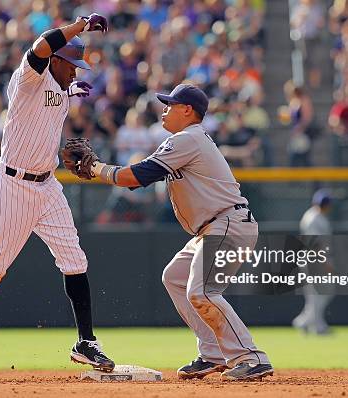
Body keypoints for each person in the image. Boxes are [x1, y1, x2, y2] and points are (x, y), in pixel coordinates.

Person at [64, 83, 273, 381]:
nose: (164, 109)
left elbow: (136, 177)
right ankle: (212, 352)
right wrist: (101, 170)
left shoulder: (188, 138)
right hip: (216, 227)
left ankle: (251, 358)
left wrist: (96, 167)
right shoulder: (187, 140)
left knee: (202, 291)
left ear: (188, 111)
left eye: (170, 104)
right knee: (174, 277)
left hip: (227, 223)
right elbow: (137, 176)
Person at [0, 14, 116, 373]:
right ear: (56, 59)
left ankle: (86, 342)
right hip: (11, 185)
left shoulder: (63, 85)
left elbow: (59, 97)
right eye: (72, 65)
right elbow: (41, 45)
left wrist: (72, 98)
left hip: (47, 185)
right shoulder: (28, 78)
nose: (76, 72)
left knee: (75, 260)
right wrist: (78, 25)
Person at [292, 189, 334, 335]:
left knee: (321, 294)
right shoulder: (312, 218)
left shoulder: (318, 216)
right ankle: (318, 326)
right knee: (317, 294)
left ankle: (304, 321)